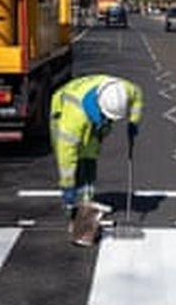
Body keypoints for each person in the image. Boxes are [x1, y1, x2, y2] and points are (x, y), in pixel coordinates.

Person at [50, 74, 143, 228]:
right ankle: (72, 204)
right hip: (63, 111)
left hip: (91, 114)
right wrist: (67, 187)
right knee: (74, 158)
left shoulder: (122, 89)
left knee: (90, 153)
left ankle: (87, 199)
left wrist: (133, 121)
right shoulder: (73, 120)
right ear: (100, 109)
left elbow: (137, 95)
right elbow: (66, 157)